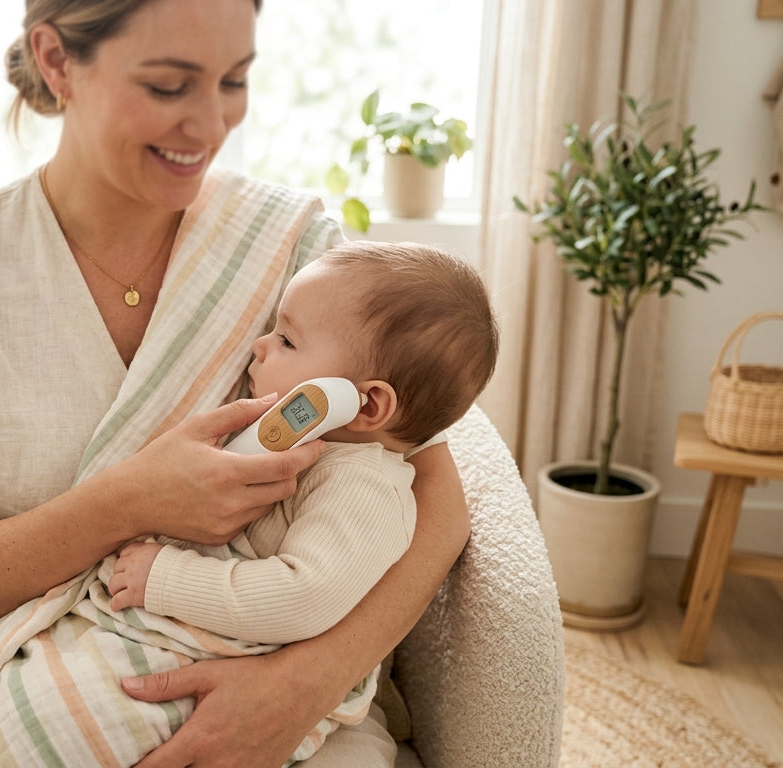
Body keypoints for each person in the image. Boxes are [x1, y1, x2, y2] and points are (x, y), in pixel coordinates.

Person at [0, 2, 472, 767]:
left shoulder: (298, 251)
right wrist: (127, 502)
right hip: (42, 685)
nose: (211, 123)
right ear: (57, 61)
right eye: (167, 87)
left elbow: (433, 495)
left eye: (234, 80)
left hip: (285, 699)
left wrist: (301, 686)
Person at [108, 241, 499, 653]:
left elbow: (301, 597)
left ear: (366, 404)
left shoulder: (365, 489)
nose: (260, 345)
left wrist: (167, 578)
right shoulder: (305, 443)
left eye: (287, 341)